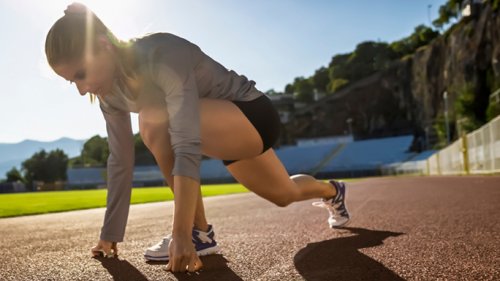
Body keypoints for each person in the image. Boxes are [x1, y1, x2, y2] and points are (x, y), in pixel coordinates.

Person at [45, 3, 350, 273]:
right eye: (73, 82)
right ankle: (332, 191)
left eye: (82, 74)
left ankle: (199, 233)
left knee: (153, 120)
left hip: (251, 115)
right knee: (284, 194)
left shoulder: (161, 53)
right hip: (221, 135)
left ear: (104, 45)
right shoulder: (109, 95)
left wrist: (182, 233)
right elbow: (121, 160)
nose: (82, 89)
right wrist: (110, 233)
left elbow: (185, 141)